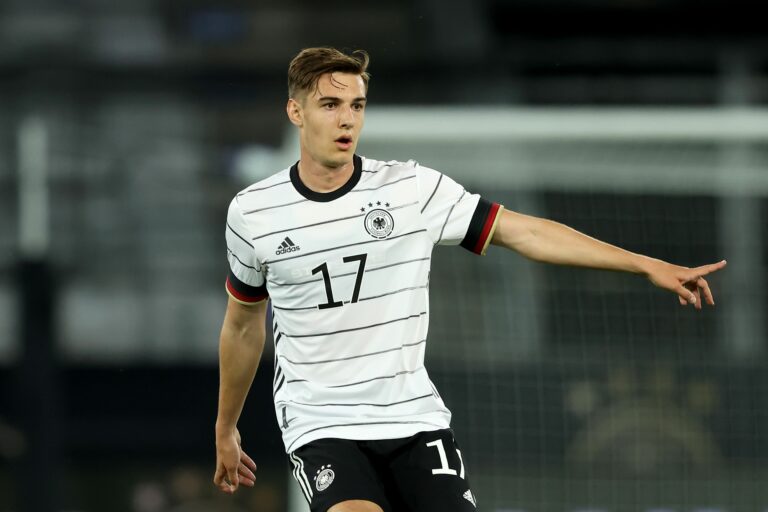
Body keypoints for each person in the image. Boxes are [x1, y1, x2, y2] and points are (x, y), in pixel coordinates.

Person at [212, 47, 726, 512]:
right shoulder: (255, 214)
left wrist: (646, 264)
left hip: (412, 416)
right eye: (330, 105)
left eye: (358, 106)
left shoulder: (410, 189)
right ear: (295, 111)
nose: (347, 120)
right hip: (322, 422)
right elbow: (242, 326)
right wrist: (226, 426)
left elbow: (524, 232)